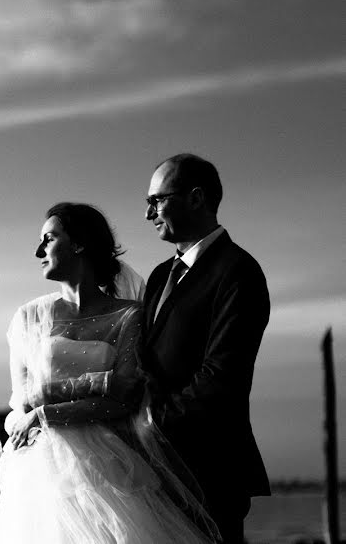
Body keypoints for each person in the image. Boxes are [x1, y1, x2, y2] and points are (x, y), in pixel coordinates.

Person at [0, 202, 218, 544]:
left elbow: (124, 398)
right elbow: (20, 401)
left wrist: (45, 411)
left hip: (112, 463)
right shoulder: (27, 317)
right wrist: (26, 420)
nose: (38, 250)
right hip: (43, 470)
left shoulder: (129, 316)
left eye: (49, 238)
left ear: (79, 244)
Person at [141, 154, 270, 544]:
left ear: (196, 198)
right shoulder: (161, 274)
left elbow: (221, 376)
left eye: (157, 201)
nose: (149, 214)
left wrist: (151, 425)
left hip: (210, 471)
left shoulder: (238, 271)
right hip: (153, 472)